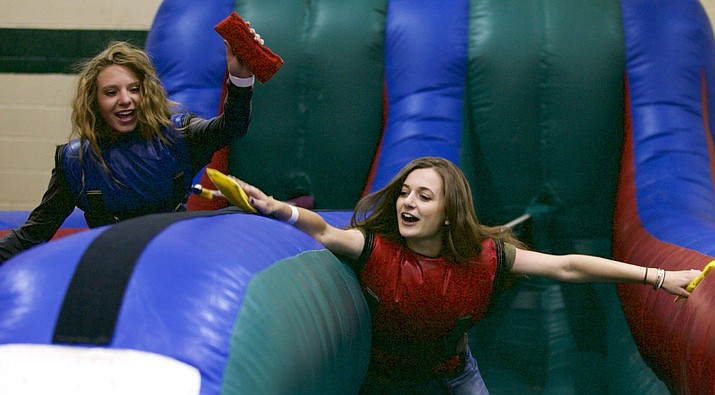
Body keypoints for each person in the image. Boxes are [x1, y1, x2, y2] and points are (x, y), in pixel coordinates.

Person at [233, 156, 702, 394]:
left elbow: (567, 265)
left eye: (423, 197)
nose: (407, 203)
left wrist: (658, 276)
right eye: (405, 193)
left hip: (453, 374)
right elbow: (326, 231)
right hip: (385, 380)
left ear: (449, 212)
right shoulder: (375, 250)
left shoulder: (486, 258)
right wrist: (280, 209)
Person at [0, 24, 265, 264]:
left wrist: (240, 79)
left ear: (146, 93)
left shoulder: (180, 136)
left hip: (174, 261)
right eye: (111, 92)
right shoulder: (76, 164)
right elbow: (33, 234)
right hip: (115, 268)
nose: (125, 100)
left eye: (134, 89)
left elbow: (232, 127)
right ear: (95, 102)